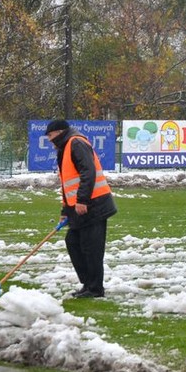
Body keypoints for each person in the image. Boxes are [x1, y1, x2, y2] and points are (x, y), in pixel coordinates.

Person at [46, 119, 117, 298]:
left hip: (94, 205)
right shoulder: (65, 147)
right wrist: (65, 211)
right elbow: (68, 184)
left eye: (50, 135)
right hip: (78, 207)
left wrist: (82, 200)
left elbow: (88, 172)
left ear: (60, 132)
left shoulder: (76, 143)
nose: (49, 140)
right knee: (73, 242)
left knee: (90, 248)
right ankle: (88, 284)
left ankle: (95, 289)